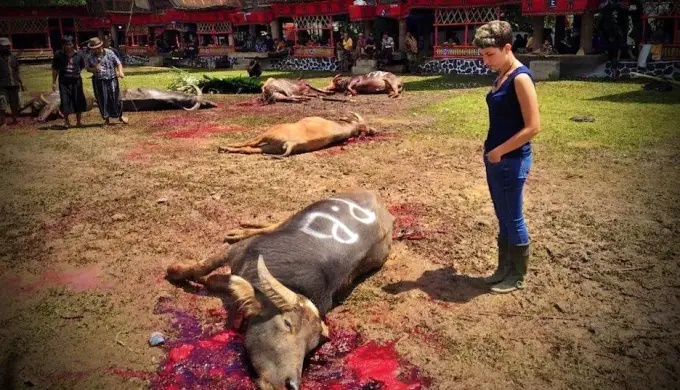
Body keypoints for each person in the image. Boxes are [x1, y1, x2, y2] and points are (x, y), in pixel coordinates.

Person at [472, 20, 541, 294]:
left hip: (511, 161)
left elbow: (534, 127)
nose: (485, 60)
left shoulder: (520, 78)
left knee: (513, 218)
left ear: (507, 47)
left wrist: (500, 151)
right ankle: (504, 268)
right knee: (503, 217)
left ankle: (518, 275)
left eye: (490, 54)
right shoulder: (500, 74)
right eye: (483, 55)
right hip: (497, 159)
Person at [86, 37, 128, 126]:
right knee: (103, 100)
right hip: (99, 80)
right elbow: (88, 69)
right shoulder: (90, 56)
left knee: (116, 98)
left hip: (112, 78)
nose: (97, 50)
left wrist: (120, 72)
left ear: (101, 46)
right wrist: (94, 69)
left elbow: (118, 63)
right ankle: (106, 119)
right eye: (94, 48)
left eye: (98, 47)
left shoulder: (109, 52)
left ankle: (120, 116)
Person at [52, 35, 87, 128]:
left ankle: (79, 122)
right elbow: (55, 69)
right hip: (64, 81)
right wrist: (53, 82)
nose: (68, 46)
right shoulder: (58, 55)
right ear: (63, 45)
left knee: (78, 99)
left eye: (70, 44)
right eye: (66, 45)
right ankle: (66, 122)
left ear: (73, 45)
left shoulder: (79, 54)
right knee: (65, 100)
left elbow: (82, 66)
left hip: (76, 81)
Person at [0, 37, 25, 127]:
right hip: (2, 84)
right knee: (2, 104)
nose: (6, 48)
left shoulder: (14, 58)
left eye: (7, 46)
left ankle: (15, 119)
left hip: (14, 83)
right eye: (4, 46)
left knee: (14, 103)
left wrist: (22, 83)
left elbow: (17, 71)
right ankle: (3, 122)